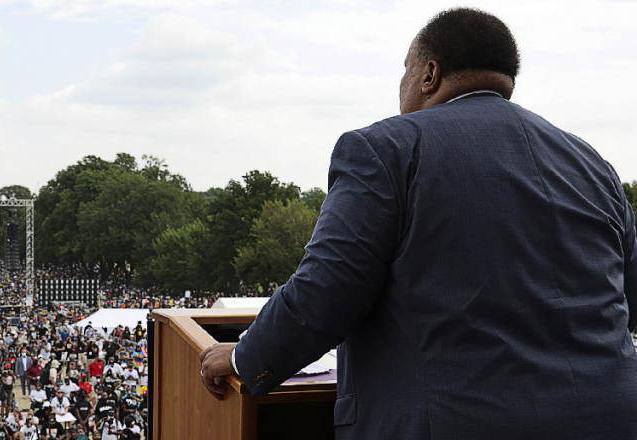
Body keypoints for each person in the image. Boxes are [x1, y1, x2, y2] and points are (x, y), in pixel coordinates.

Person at [198, 6, 637, 440]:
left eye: (404, 72)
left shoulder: (384, 150)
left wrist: (241, 359)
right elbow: (626, 297)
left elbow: (327, 290)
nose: (402, 88)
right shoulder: (592, 165)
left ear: (429, 74)